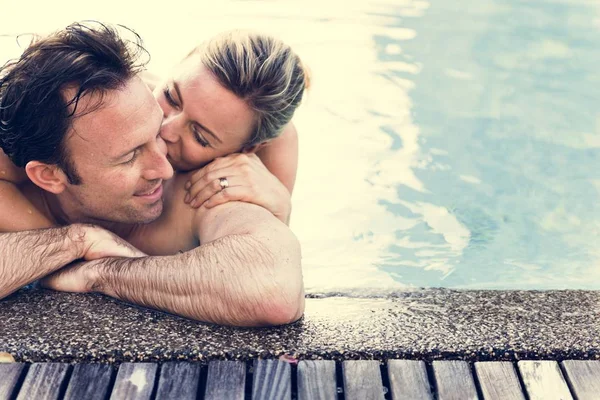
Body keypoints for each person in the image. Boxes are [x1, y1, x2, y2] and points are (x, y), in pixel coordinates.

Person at [0, 22, 305, 327]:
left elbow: (273, 286)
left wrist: (279, 209)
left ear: (245, 149)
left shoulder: (208, 188)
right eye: (171, 98)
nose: (166, 132)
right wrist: (76, 242)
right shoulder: (114, 95)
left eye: (200, 136)